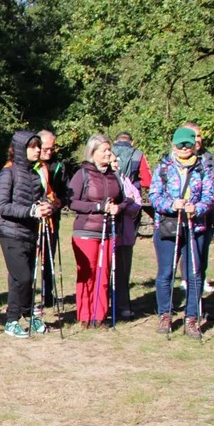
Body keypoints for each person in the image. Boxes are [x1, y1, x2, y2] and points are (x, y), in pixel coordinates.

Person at [148, 126, 214, 339]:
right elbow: (154, 196)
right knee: (166, 273)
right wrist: (171, 204)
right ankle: (165, 315)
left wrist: (197, 208)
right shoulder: (163, 167)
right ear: (173, 145)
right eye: (180, 144)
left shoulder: (203, 167)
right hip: (168, 226)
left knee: (194, 274)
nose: (184, 148)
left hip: (195, 226)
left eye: (188, 143)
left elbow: (209, 196)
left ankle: (192, 318)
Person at [0, 131, 58, 338]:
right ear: (21, 149)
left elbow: (38, 199)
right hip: (10, 232)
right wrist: (31, 211)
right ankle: (29, 314)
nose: (38, 150)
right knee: (24, 277)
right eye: (33, 147)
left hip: (30, 231)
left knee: (16, 280)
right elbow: (2, 206)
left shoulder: (35, 173)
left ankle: (12, 321)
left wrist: (45, 207)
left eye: (39, 146)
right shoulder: (8, 172)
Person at [66, 135, 124, 327]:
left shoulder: (113, 175)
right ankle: (85, 316)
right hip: (86, 231)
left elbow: (123, 199)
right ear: (93, 153)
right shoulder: (82, 174)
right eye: (104, 150)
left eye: (109, 150)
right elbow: (72, 202)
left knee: (104, 274)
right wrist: (98, 207)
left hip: (108, 232)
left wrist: (119, 208)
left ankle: (99, 316)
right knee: (87, 274)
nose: (108, 154)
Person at [182, 122, 214, 295]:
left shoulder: (208, 158)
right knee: (186, 252)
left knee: (202, 252)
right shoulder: (175, 160)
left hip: (205, 213)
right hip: (184, 215)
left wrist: (208, 190)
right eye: (194, 136)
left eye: (199, 135)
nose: (198, 140)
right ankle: (187, 281)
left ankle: (199, 283)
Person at [111, 148, 144, 319]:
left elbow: (137, 201)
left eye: (117, 161)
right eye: (113, 161)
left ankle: (123, 304)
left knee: (123, 271)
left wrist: (124, 207)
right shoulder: (105, 181)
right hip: (109, 232)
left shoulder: (126, 180)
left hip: (126, 233)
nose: (116, 164)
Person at [37, 130, 67, 316]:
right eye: (46, 148)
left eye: (52, 148)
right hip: (33, 217)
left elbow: (65, 191)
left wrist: (59, 202)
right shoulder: (30, 165)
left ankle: (48, 294)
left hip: (52, 218)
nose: (49, 151)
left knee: (49, 256)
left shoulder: (58, 166)